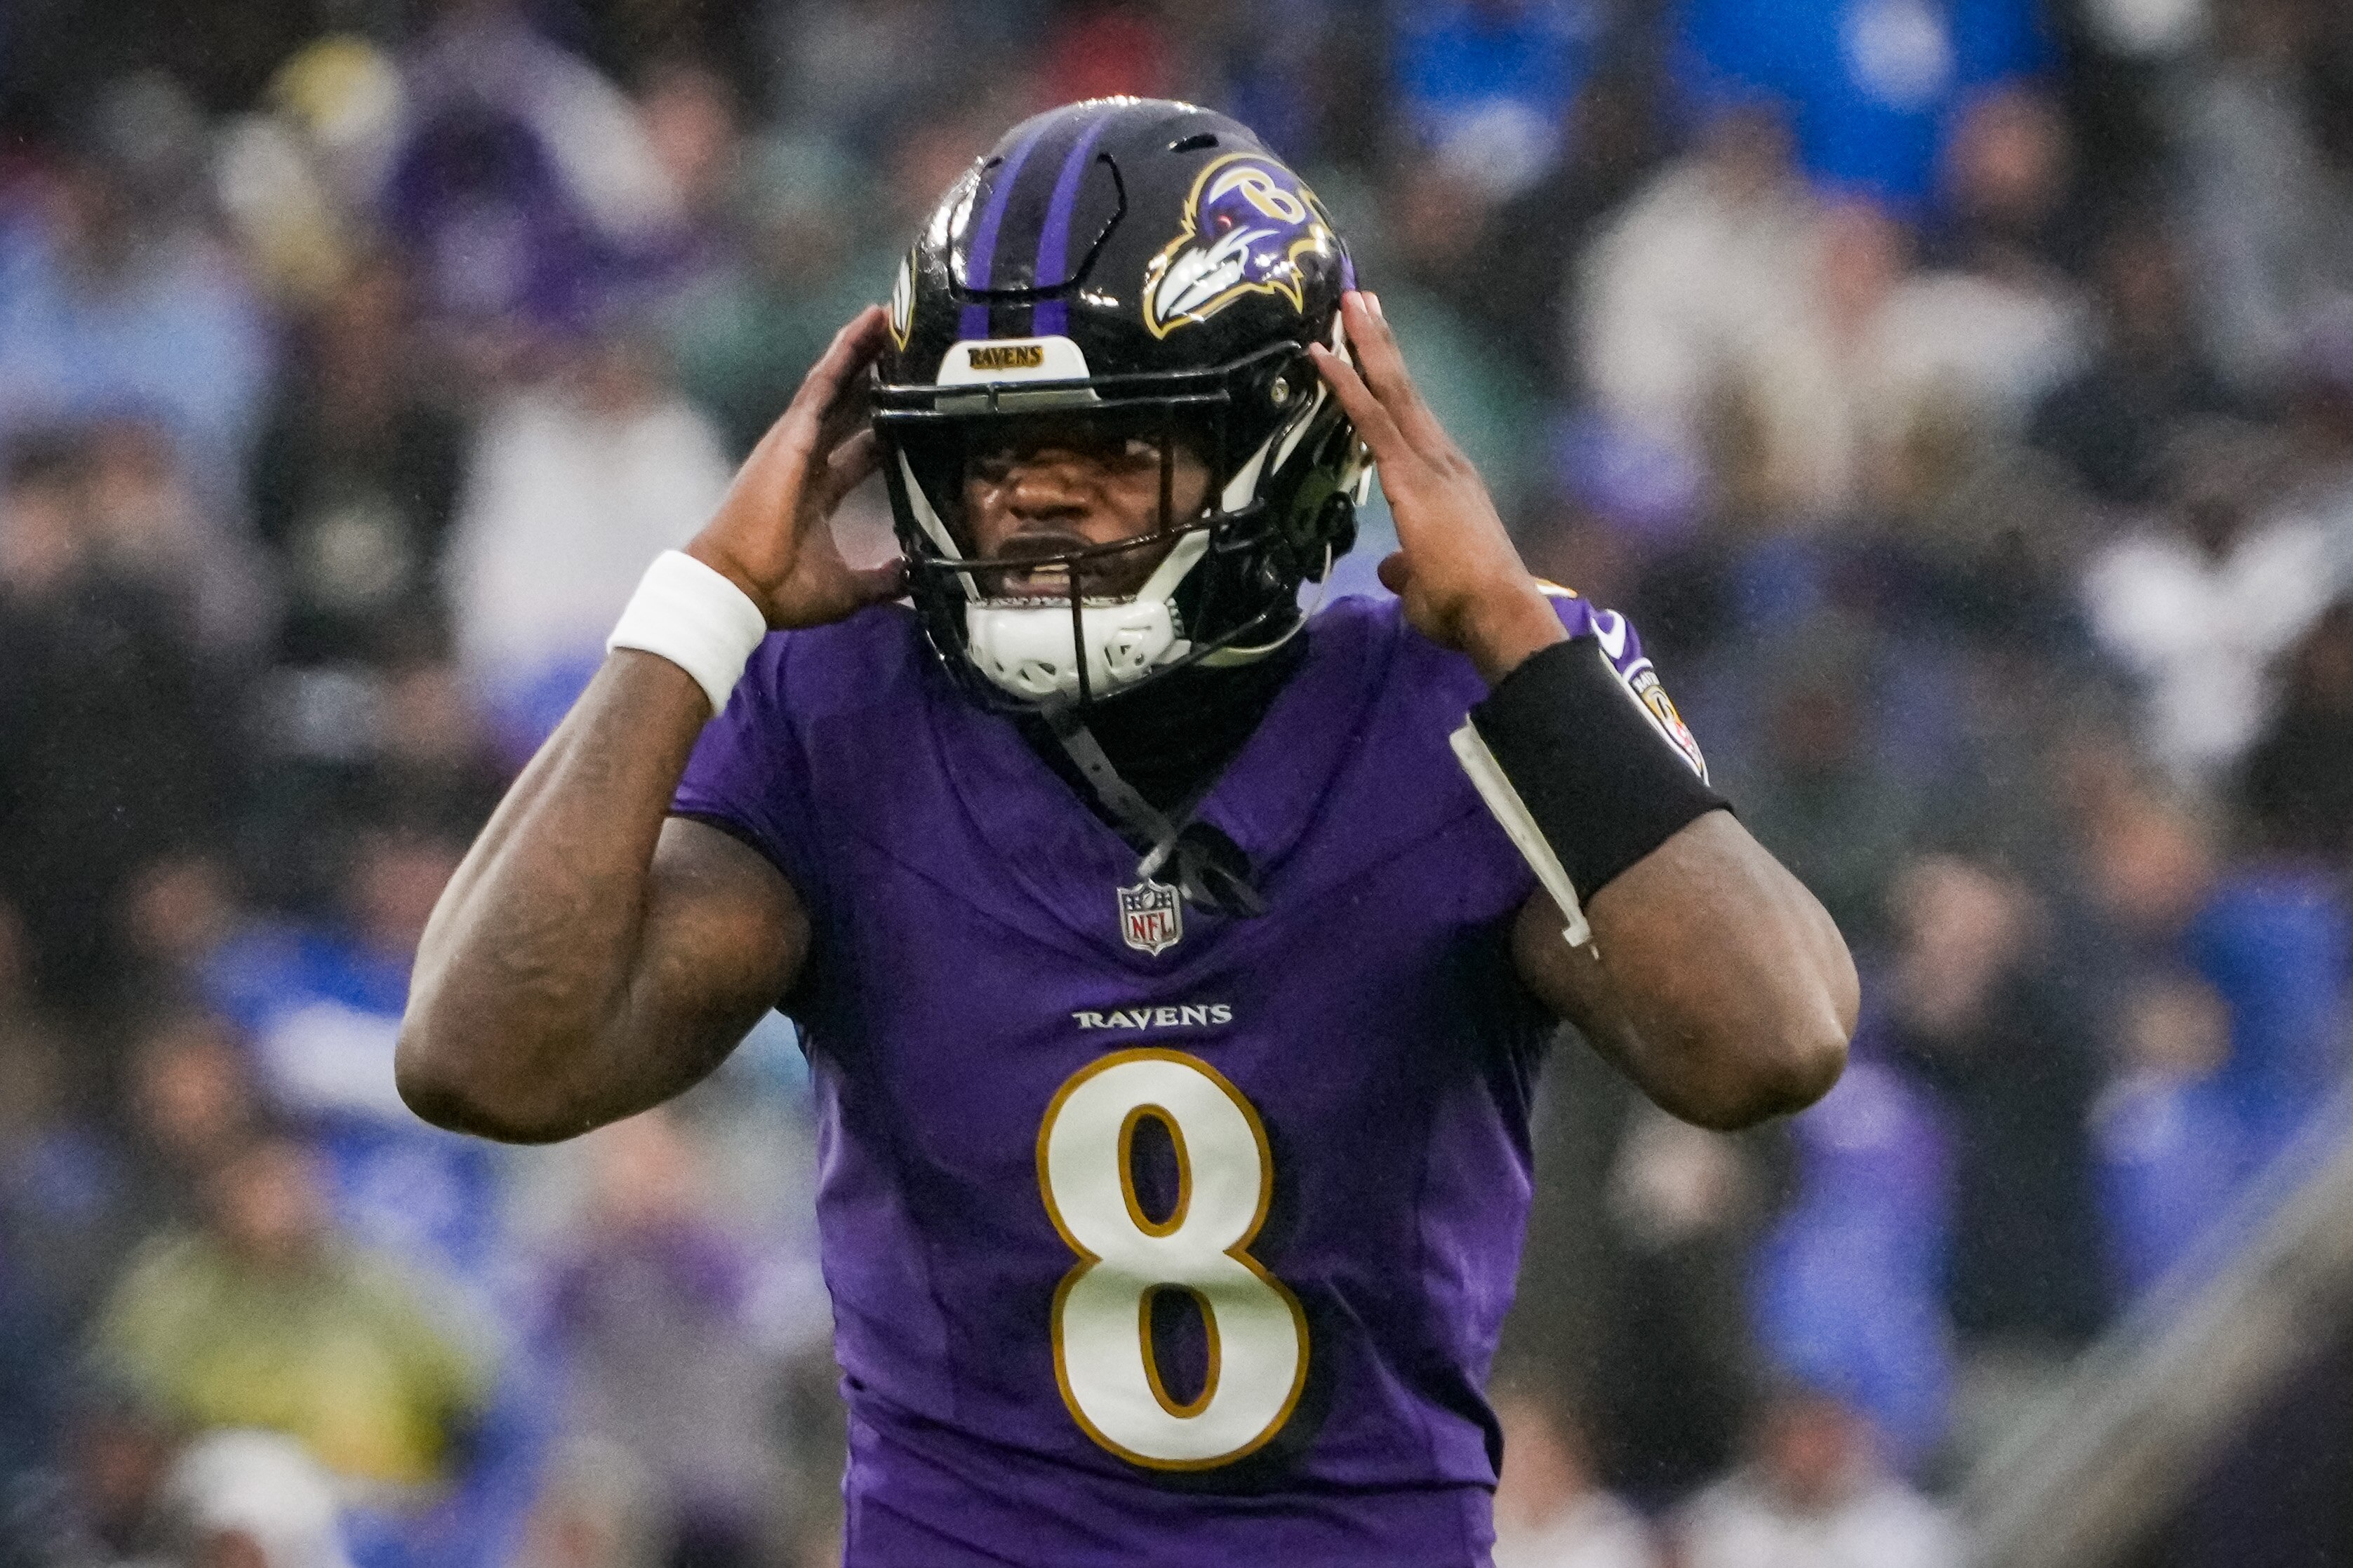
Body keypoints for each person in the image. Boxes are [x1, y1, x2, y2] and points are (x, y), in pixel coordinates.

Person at [396, 99, 1855, 1567]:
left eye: (1105, 442)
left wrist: (1519, 641)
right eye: (985, 445)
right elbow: (482, 1057)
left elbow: (1769, 1038)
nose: (1030, 490)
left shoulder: (1475, 702)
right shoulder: (839, 711)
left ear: (1278, 438)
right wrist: (702, 597)